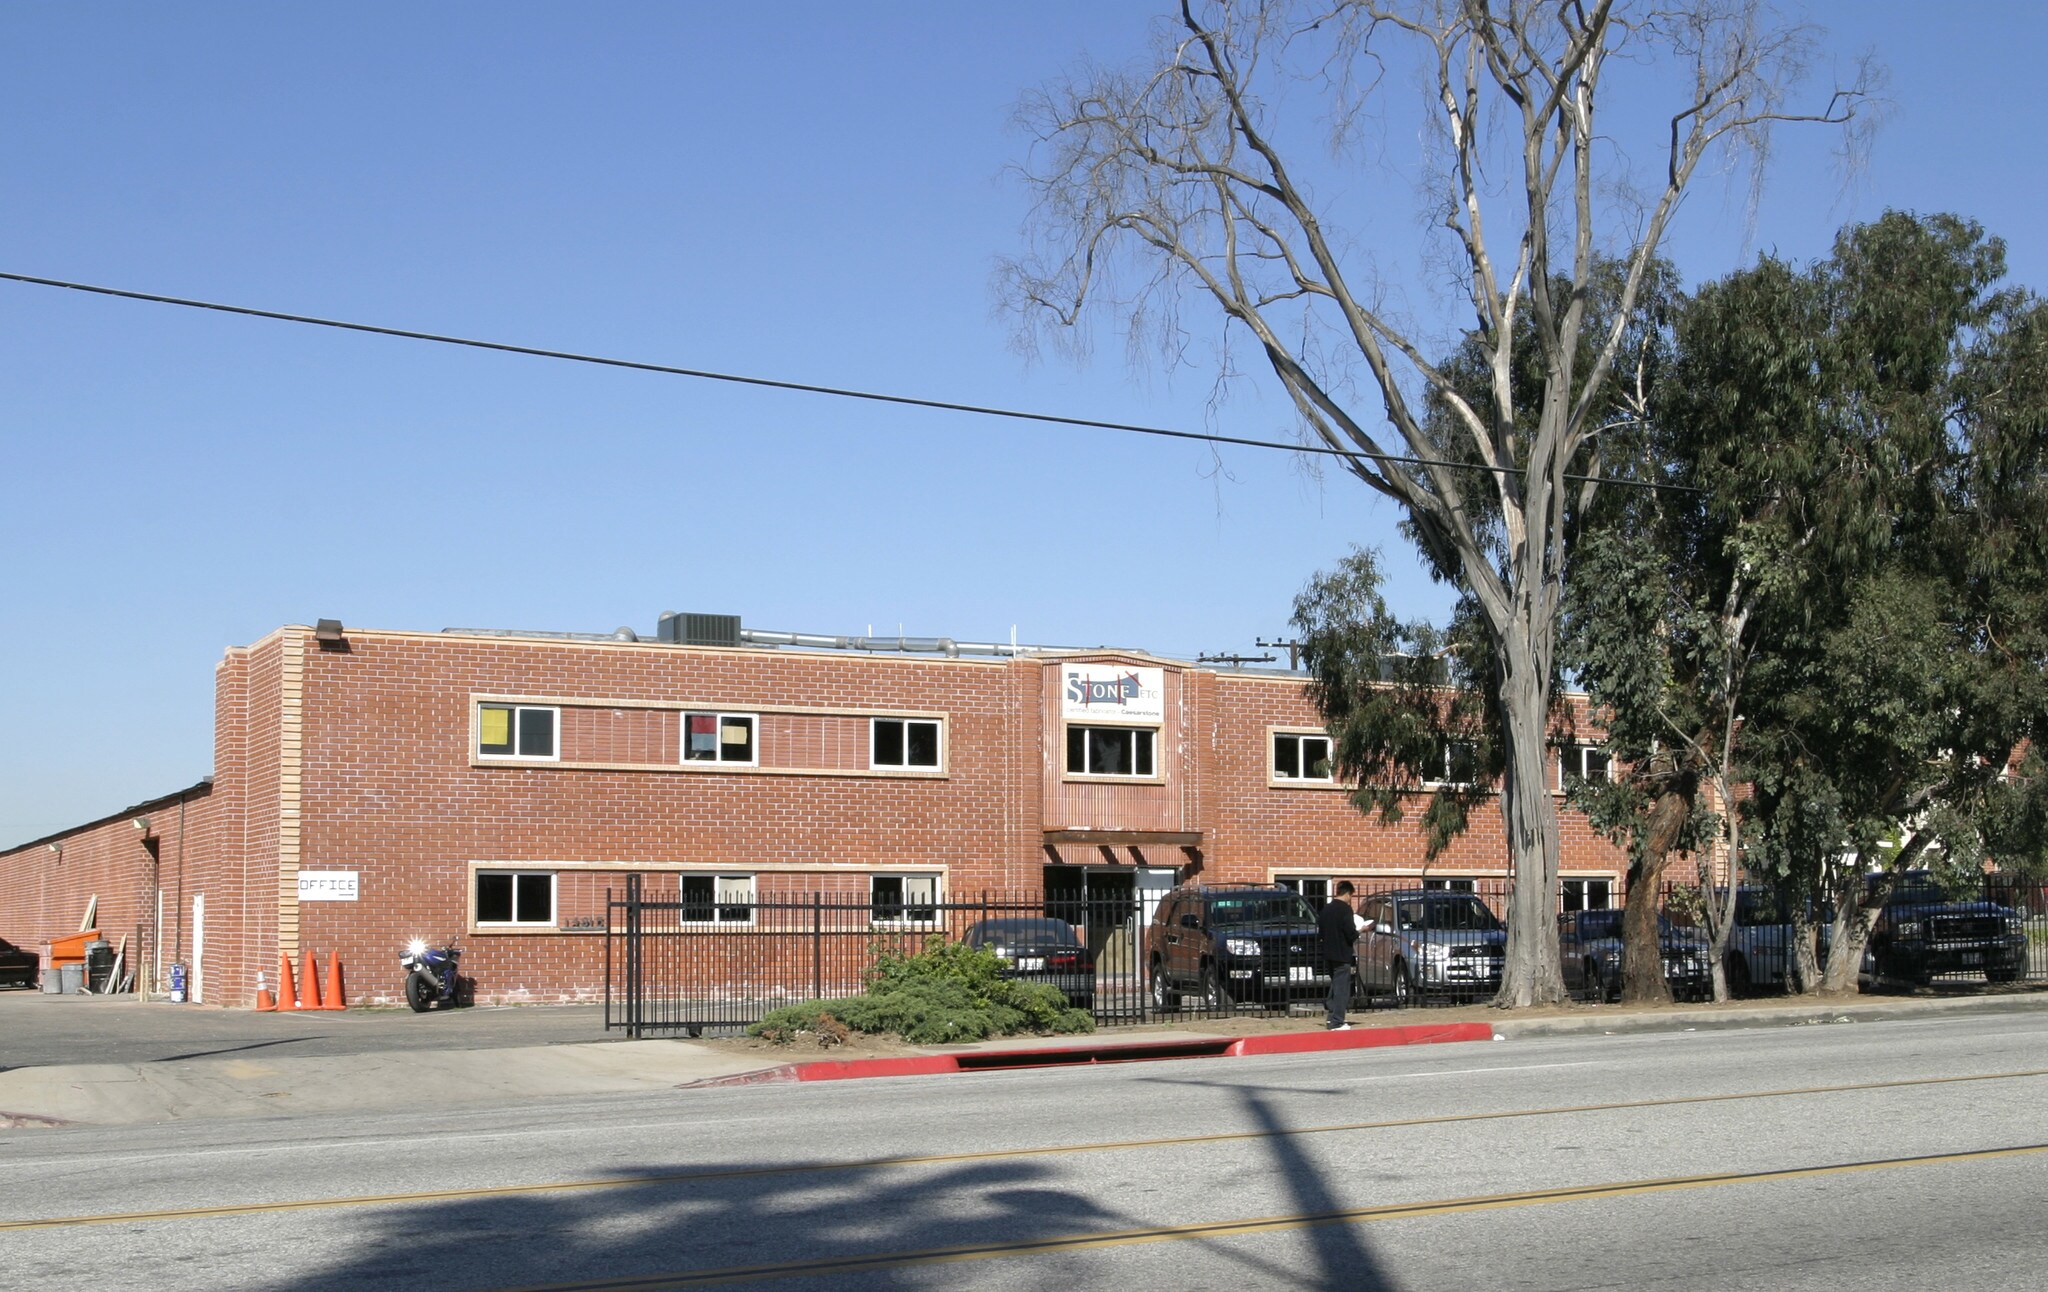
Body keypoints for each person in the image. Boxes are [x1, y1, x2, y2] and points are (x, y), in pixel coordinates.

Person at [1318, 880, 1359, 1031]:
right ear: (1348, 893)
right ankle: (1337, 1021)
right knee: (1341, 988)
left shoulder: (1326, 909)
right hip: (1342, 954)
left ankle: (1331, 1018)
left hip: (1328, 953)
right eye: (1351, 896)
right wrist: (1362, 930)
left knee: (1335, 986)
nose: (1350, 899)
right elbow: (1350, 933)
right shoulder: (1345, 910)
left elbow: (1321, 931)